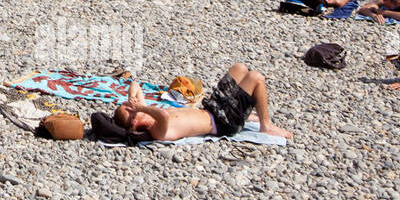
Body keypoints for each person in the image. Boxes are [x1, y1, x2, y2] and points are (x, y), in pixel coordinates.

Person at [113, 64, 292, 140]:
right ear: (135, 121)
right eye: (129, 109)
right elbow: (164, 116)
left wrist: (132, 97)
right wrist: (142, 107)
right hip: (224, 122)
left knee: (240, 69)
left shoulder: (145, 112)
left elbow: (135, 84)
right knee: (256, 78)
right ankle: (265, 124)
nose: (132, 105)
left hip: (212, 109)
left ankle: (247, 113)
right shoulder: (157, 131)